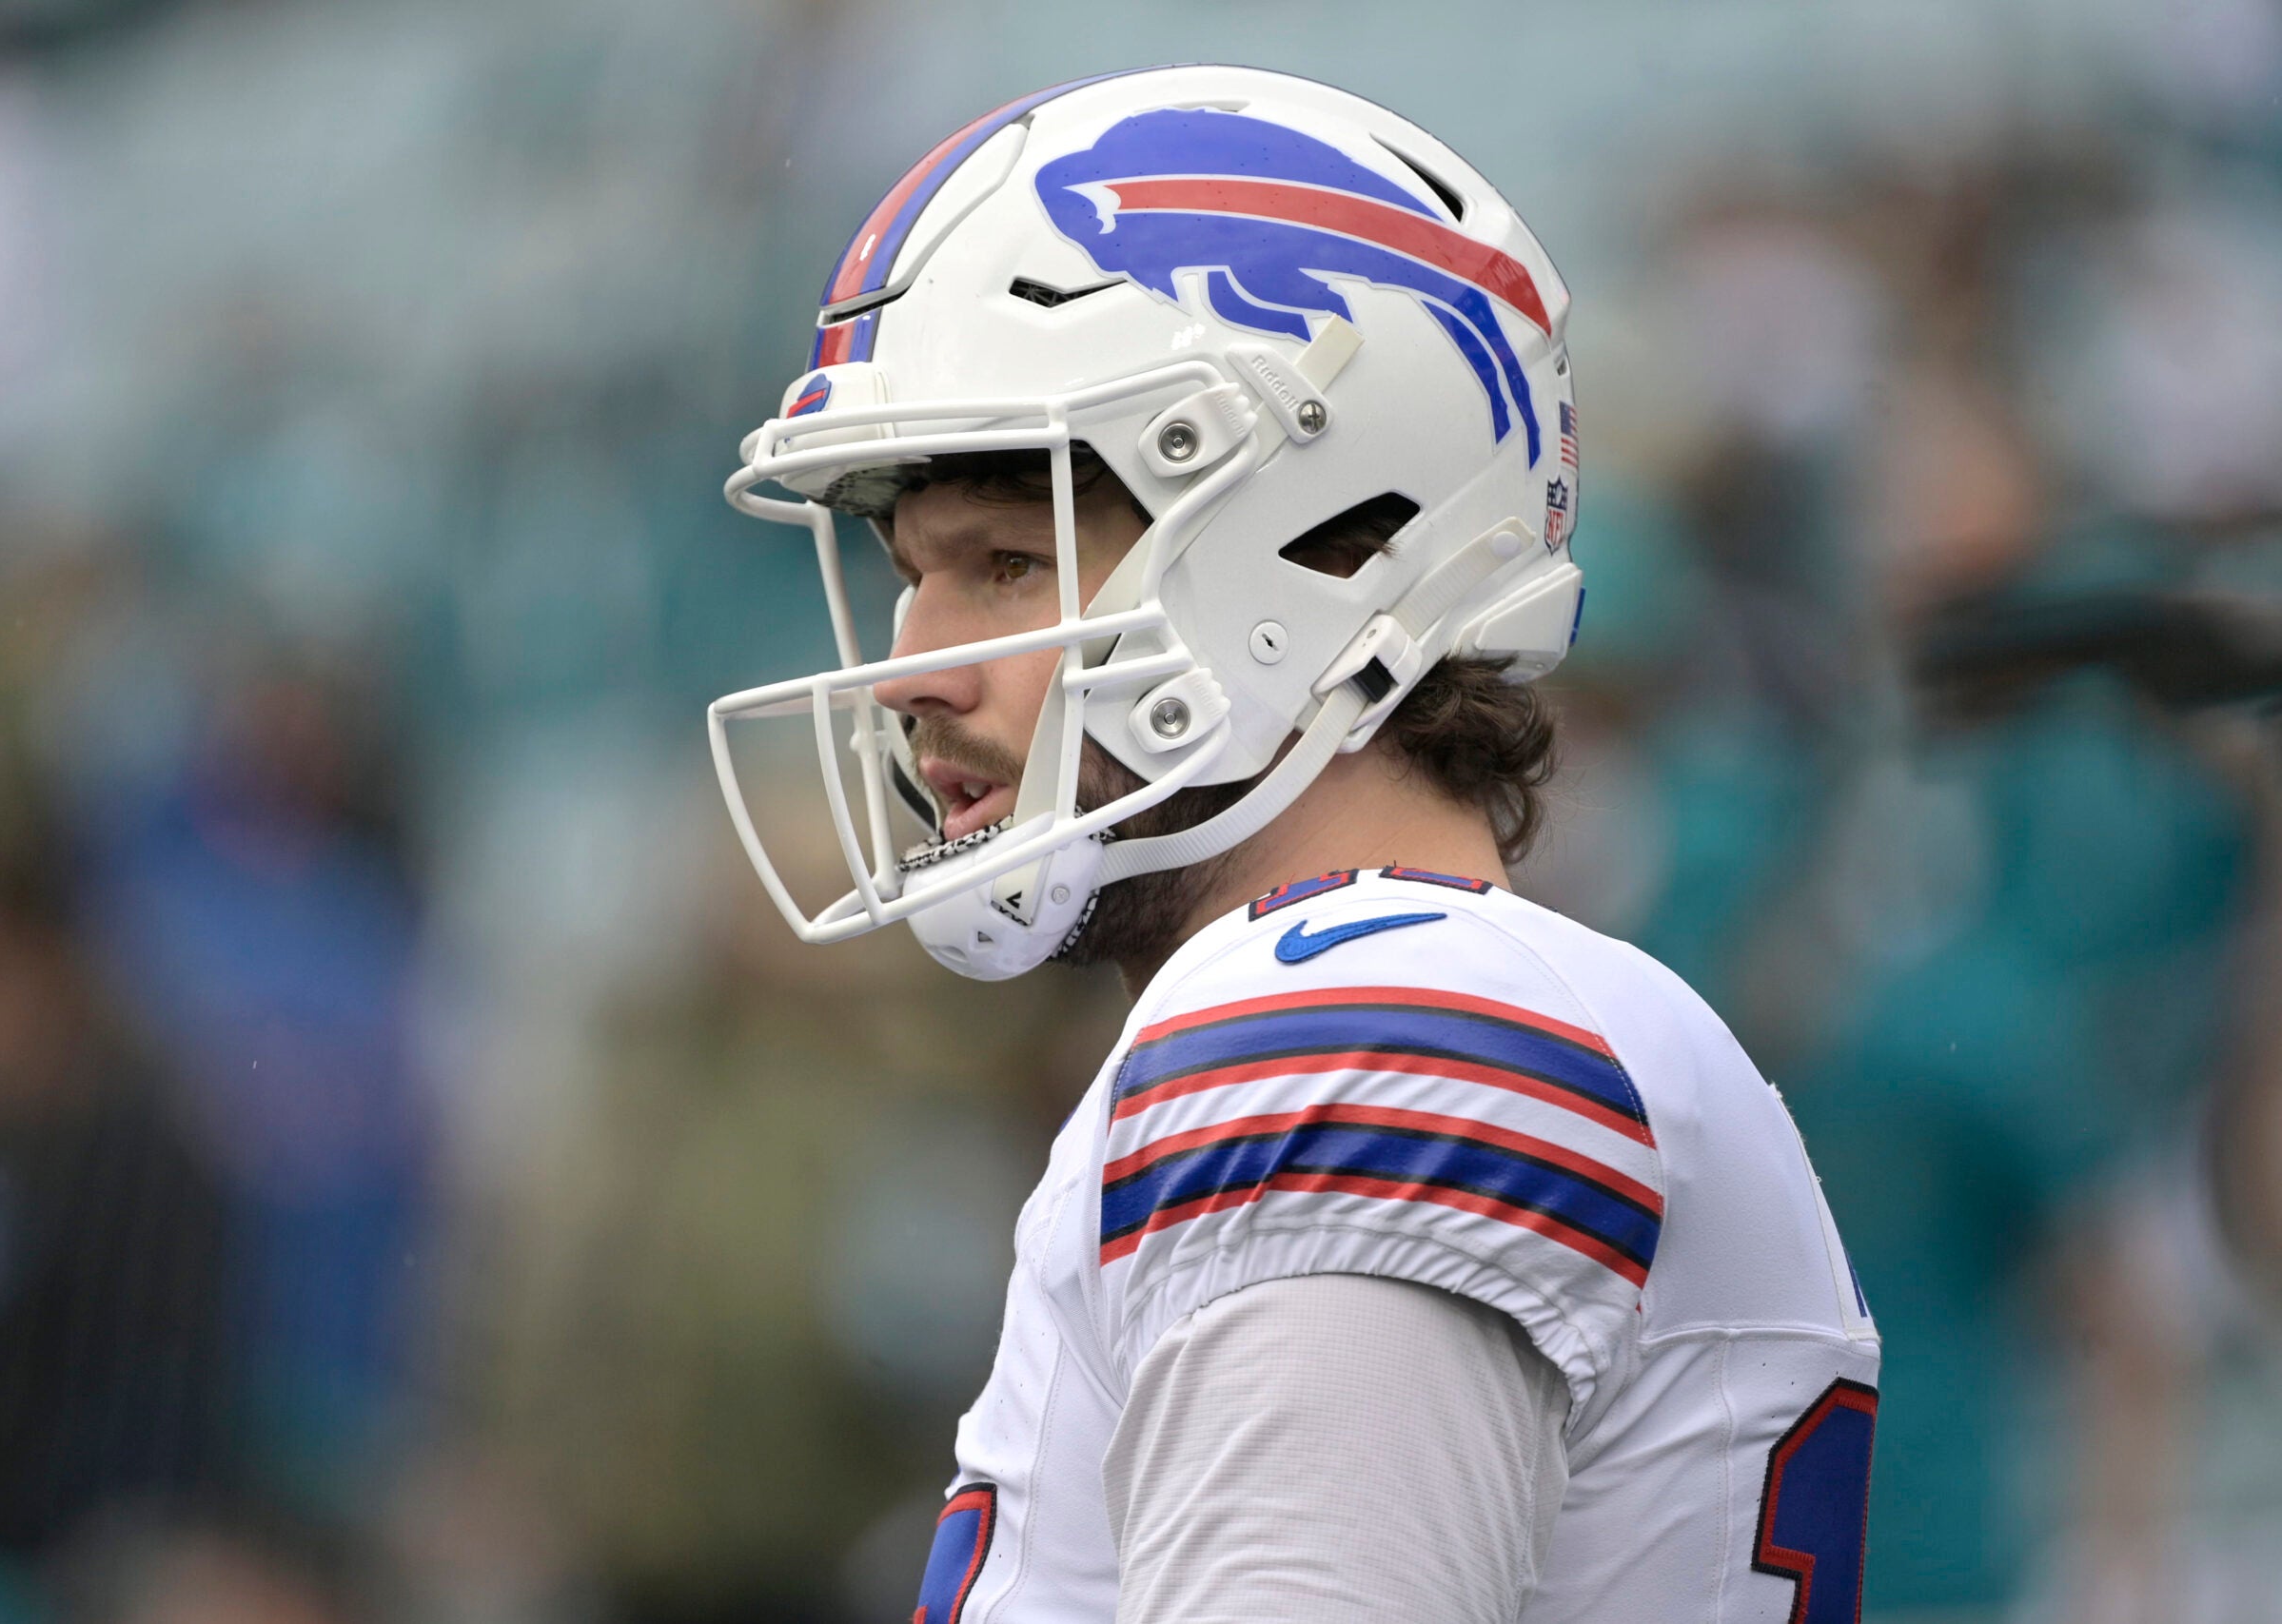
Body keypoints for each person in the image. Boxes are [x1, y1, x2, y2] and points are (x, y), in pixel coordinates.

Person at [708, 66, 1879, 1624]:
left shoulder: (1353, 1021)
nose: (918, 666)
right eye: (914, 575)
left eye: (1004, 563)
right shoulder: (1413, 994)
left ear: (1331, 544)